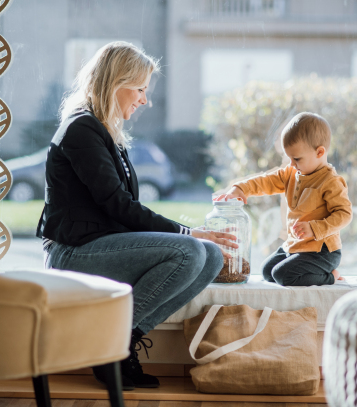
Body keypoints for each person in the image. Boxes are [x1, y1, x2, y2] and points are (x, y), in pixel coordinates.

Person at [36, 42, 237, 390]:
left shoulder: (106, 133)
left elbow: (123, 211)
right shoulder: (82, 129)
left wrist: (190, 234)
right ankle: (109, 345)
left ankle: (120, 342)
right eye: (141, 89)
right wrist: (187, 233)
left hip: (101, 246)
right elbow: (119, 206)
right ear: (116, 82)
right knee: (189, 250)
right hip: (72, 253)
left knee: (212, 257)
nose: (145, 99)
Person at [215, 112, 352, 286]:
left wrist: (315, 228)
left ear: (320, 152)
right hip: (295, 246)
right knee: (267, 271)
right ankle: (309, 270)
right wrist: (241, 188)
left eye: (296, 159)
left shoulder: (331, 181)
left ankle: (331, 276)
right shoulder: (292, 173)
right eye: (289, 158)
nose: (292, 164)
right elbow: (266, 180)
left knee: (283, 275)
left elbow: (344, 214)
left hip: (321, 252)